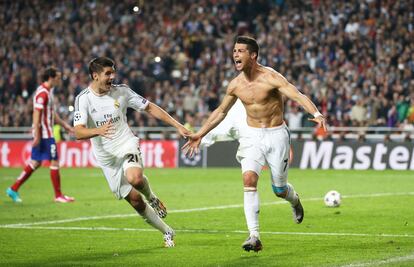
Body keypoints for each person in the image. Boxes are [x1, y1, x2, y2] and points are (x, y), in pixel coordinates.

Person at [183, 36, 327, 252]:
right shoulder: (236, 85)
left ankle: (295, 200)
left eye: (240, 51)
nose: (235, 55)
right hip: (251, 136)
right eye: (234, 51)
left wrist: (315, 112)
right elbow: (221, 112)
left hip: (276, 135)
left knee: (279, 189)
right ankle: (254, 236)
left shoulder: (271, 77)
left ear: (253, 55)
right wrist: (200, 134)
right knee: (249, 179)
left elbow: (297, 95)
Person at [73, 57, 191, 247]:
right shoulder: (83, 99)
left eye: (113, 72)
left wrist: (177, 125)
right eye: (107, 73)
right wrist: (97, 130)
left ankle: (152, 197)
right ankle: (167, 231)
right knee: (135, 201)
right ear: (95, 76)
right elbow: (78, 131)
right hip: (107, 159)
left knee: (135, 178)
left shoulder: (122, 91)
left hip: (125, 143)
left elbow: (150, 107)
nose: (112, 76)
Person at [6, 67, 75, 203]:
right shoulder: (43, 93)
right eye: (58, 77)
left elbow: (51, 115)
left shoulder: (48, 92)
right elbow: (36, 114)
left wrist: (65, 126)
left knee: (35, 163)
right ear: (51, 77)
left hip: (44, 133)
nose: (59, 80)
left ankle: (13, 189)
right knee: (54, 160)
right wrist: (37, 135)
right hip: (44, 134)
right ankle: (58, 195)